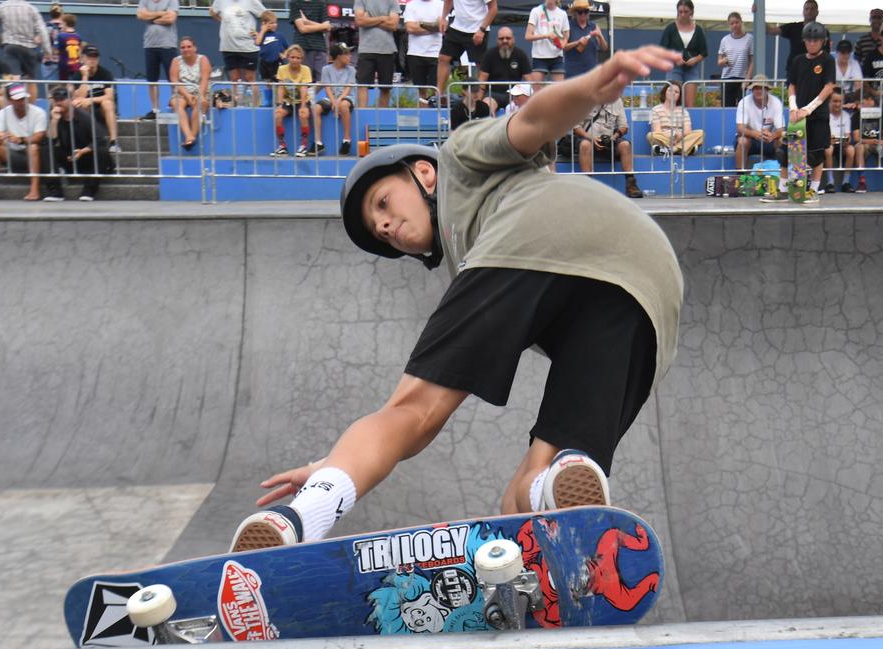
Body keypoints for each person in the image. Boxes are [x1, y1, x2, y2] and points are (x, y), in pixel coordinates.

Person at [229, 45, 684, 553]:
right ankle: (550, 494)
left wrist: (589, 86)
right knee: (534, 486)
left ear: (421, 175)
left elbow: (530, 122)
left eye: (382, 204)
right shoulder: (473, 244)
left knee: (413, 411)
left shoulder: (457, 159)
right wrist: (336, 457)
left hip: (541, 228)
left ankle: (303, 515)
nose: (384, 226)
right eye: (379, 234)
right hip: (648, 288)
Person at [0, 83, 56, 201]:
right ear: (9, 100)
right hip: (11, 152)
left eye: (23, 98)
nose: (22, 101)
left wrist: (20, 140)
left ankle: (34, 189)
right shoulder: (3, 113)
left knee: (33, 147)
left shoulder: (38, 112)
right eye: (18, 99)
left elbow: (39, 137)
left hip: (33, 153)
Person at [787, 21, 834, 202]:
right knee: (791, 152)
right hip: (798, 115)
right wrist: (793, 107)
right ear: (804, 41)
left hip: (818, 114)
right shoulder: (798, 60)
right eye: (809, 40)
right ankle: (789, 188)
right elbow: (792, 85)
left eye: (816, 40)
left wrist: (809, 108)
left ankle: (814, 190)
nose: (812, 43)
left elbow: (829, 86)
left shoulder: (827, 60)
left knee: (816, 154)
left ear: (822, 41)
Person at [48, 85, 115, 201]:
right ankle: (56, 192)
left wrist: (82, 152)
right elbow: (51, 141)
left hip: (87, 156)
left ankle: (89, 191)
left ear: (70, 100)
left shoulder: (84, 116)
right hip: (69, 157)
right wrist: (54, 121)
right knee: (45, 149)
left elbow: (100, 140)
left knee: (102, 151)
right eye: (56, 100)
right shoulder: (55, 117)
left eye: (62, 100)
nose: (59, 103)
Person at [575, 95, 643, 197]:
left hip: (610, 139)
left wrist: (614, 137)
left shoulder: (617, 100)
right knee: (585, 144)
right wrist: (591, 137)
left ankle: (631, 185)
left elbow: (624, 126)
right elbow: (576, 128)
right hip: (588, 138)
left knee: (625, 145)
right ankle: (587, 186)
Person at [435, 0, 498, 99]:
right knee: (443, 58)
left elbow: (493, 9)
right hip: (457, 27)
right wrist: (443, 17)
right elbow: (448, 1)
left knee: (481, 64)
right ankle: (439, 94)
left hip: (477, 29)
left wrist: (482, 30)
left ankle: (479, 97)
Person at [211, 0, 266, 107]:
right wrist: (222, 20)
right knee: (234, 79)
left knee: (250, 78)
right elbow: (213, 12)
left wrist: (261, 32)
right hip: (228, 47)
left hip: (248, 47)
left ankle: (256, 108)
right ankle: (236, 107)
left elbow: (268, 16)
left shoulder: (251, 1)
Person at [658, 0, 706, 108]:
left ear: (691, 12)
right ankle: (670, 124)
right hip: (674, 69)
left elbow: (704, 52)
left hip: (692, 69)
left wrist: (695, 60)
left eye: (686, 11)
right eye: (680, 12)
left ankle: (688, 124)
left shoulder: (698, 30)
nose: (683, 14)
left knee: (689, 104)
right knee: (672, 102)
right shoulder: (670, 29)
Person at [137, 0, 179, 120]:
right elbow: (140, 15)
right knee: (152, 80)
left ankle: (177, 106)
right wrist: (162, 13)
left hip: (168, 44)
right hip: (150, 45)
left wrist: (150, 16)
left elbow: (171, 18)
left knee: (173, 78)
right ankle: (155, 110)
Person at [74, 46, 120, 154]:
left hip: (102, 109)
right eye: (90, 57)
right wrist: (84, 77)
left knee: (107, 103)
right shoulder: (77, 75)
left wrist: (91, 100)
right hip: (87, 110)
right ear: (83, 58)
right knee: (81, 104)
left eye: (95, 57)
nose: (92, 60)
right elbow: (79, 97)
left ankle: (113, 141)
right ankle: (91, 141)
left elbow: (109, 96)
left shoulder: (105, 73)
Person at [477, 27, 532, 114]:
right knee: (486, 107)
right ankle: (492, 127)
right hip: (493, 93)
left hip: (514, 94)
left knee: (517, 109)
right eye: (501, 38)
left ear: (513, 39)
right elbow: (482, 79)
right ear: (497, 40)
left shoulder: (520, 54)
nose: (505, 41)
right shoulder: (489, 54)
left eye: (508, 38)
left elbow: (530, 79)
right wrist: (478, 102)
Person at [313, 42, 355, 155]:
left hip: (346, 97)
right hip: (330, 98)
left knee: (343, 106)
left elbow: (348, 88)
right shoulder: (326, 69)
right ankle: (318, 142)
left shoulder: (351, 70)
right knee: (316, 108)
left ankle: (347, 140)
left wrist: (338, 102)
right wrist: (333, 101)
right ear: (338, 57)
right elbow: (327, 88)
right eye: (346, 54)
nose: (350, 56)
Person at [354, 0, 398, 108]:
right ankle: (362, 117)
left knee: (385, 88)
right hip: (366, 49)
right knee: (362, 86)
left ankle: (382, 120)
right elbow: (359, 21)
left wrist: (369, 19)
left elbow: (393, 25)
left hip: (387, 49)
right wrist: (383, 18)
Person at [169, 36, 210, 150]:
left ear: (195, 48)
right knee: (177, 104)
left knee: (200, 104)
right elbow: (174, 80)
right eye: (183, 47)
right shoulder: (176, 61)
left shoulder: (203, 59)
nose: (186, 49)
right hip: (182, 91)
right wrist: (186, 95)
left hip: (199, 90)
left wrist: (200, 95)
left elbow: (205, 79)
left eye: (188, 46)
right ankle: (189, 136)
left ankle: (190, 138)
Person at [272, 44, 313, 156]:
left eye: (298, 58)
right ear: (288, 57)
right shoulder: (281, 69)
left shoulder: (306, 69)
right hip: (288, 101)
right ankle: (282, 146)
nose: (295, 60)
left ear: (302, 59)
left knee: (303, 115)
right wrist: (279, 105)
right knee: (278, 115)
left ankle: (303, 146)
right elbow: (280, 88)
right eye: (292, 57)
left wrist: (304, 106)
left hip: (302, 101)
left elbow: (304, 88)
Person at [734, 74, 782, 170]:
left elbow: (780, 129)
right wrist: (755, 134)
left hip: (768, 139)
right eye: (756, 88)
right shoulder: (744, 102)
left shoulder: (776, 102)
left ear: (767, 90)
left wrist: (772, 136)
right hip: (751, 139)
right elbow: (740, 128)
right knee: (742, 141)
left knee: (782, 140)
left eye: (762, 88)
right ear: (752, 90)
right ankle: (740, 177)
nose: (758, 91)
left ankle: (781, 174)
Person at [648, 79, 704, 156]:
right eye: (670, 90)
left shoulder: (683, 111)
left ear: (679, 96)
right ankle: (685, 149)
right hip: (665, 139)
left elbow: (688, 130)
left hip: (681, 138)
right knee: (651, 135)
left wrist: (680, 136)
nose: (673, 93)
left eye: (676, 92)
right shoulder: (655, 110)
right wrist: (673, 135)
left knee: (701, 133)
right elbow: (657, 131)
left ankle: (673, 150)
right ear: (665, 92)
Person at [403, 0, 444, 101]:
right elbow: (410, 28)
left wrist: (420, 24)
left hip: (436, 53)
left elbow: (440, 26)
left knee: (437, 89)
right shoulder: (411, 5)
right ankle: (423, 114)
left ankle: (436, 114)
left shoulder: (440, 4)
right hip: (415, 53)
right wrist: (432, 27)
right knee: (421, 90)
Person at [768, 0, 828, 67]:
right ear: (803, 11)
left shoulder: (823, 31)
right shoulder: (794, 27)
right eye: (806, 9)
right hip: (795, 69)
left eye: (812, 9)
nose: (809, 11)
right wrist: (758, 13)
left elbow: (826, 53)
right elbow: (771, 31)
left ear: (817, 12)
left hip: (815, 70)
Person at [288, 0, 333, 80]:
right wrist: (323, 26)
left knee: (323, 80)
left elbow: (327, 29)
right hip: (302, 48)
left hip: (319, 47)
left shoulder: (321, 3)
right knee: (303, 81)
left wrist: (306, 21)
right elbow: (302, 29)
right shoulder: (295, 3)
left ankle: (311, 92)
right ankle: (308, 92)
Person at [526, 0, 569, 83]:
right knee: (537, 90)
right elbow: (528, 36)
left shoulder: (562, 13)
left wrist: (562, 45)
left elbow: (566, 35)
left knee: (559, 89)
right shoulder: (536, 11)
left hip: (557, 56)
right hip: (539, 56)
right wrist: (546, 36)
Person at [716, 12, 752, 108]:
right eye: (732, 23)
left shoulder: (749, 38)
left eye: (737, 22)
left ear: (741, 22)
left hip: (743, 78)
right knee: (727, 108)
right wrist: (723, 61)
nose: (735, 25)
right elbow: (719, 61)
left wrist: (748, 78)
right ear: (729, 25)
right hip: (727, 78)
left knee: (743, 108)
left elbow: (752, 60)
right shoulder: (725, 40)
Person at [824, 91, 856, 193]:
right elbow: (824, 137)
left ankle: (846, 182)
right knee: (829, 149)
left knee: (851, 150)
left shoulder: (846, 115)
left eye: (840, 101)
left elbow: (848, 138)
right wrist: (831, 139)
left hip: (841, 144)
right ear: (830, 101)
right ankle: (830, 182)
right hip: (827, 144)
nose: (837, 104)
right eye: (835, 101)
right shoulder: (825, 115)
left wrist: (837, 139)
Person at [564, 0, 604, 80]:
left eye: (586, 11)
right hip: (573, 73)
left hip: (591, 71)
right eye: (580, 12)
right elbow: (564, 47)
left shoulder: (593, 26)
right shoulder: (568, 26)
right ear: (575, 13)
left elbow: (604, 47)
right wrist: (578, 42)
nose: (583, 14)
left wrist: (600, 36)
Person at [255, 11, 285, 107]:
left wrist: (285, 54)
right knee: (268, 82)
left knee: (279, 82)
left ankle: (279, 100)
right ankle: (268, 100)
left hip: (277, 62)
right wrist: (263, 30)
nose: (274, 25)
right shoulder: (262, 35)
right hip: (264, 62)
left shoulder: (279, 35)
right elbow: (257, 42)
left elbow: (288, 48)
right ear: (264, 23)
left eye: (275, 22)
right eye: (271, 23)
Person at [52, 12, 81, 82]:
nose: (60, 26)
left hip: (64, 64)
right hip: (76, 64)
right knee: (75, 84)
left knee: (63, 85)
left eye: (61, 24)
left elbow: (55, 50)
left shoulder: (61, 36)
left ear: (65, 23)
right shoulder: (78, 36)